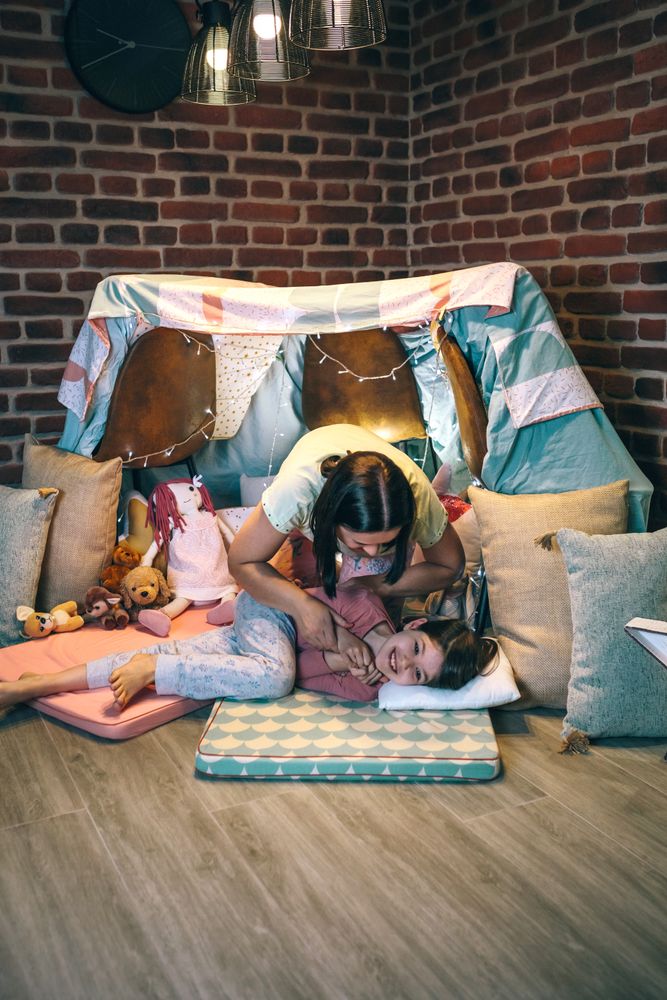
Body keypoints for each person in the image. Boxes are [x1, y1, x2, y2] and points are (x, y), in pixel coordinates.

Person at [0, 587, 496, 712]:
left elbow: (301, 674)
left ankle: (36, 685)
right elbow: (296, 602)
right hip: (266, 609)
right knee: (271, 679)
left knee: (197, 659)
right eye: (416, 648)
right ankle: (153, 669)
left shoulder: (367, 691)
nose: (403, 663)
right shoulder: (363, 606)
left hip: (258, 652)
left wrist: (337, 662)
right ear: (416, 624)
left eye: (417, 675)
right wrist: (342, 640)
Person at [228, 423, 465, 656]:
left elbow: (451, 566)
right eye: (360, 543)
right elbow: (241, 562)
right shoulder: (296, 493)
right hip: (313, 466)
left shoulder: (418, 498)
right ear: (331, 520)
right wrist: (301, 604)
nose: (373, 552)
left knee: (370, 618)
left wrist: (376, 585)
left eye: (387, 543)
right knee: (292, 595)